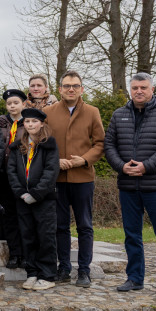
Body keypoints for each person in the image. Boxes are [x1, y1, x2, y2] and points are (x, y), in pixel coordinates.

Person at [104, 73, 156, 297]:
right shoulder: (119, 114)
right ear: (130, 90)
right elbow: (109, 146)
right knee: (131, 235)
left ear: (152, 89)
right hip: (128, 185)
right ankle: (134, 278)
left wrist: (146, 166)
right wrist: (121, 167)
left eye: (143, 87)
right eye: (135, 87)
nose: (139, 91)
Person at [44, 71, 105, 288]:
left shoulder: (92, 112)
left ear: (82, 89)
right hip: (57, 178)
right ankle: (64, 268)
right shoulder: (48, 112)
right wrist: (55, 161)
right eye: (67, 86)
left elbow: (100, 143)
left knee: (84, 226)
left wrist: (84, 160)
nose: (71, 89)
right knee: (60, 226)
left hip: (83, 178)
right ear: (60, 89)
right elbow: (42, 143)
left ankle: (84, 271)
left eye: (75, 86)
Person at [7, 108, 60, 291]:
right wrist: (21, 192)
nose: (30, 125)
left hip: (43, 199)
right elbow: (11, 171)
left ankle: (47, 275)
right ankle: (32, 273)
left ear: (42, 124)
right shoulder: (17, 146)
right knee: (27, 235)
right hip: (23, 199)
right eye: (27, 122)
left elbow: (51, 171)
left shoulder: (49, 145)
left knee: (45, 236)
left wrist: (36, 193)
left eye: (34, 122)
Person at [0, 89, 27, 269]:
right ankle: (15, 253)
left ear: (23, 104)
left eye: (16, 103)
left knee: (24, 214)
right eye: (9, 103)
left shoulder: (29, 122)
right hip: (4, 175)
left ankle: (26, 253)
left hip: (23, 176)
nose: (12, 106)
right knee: (9, 215)